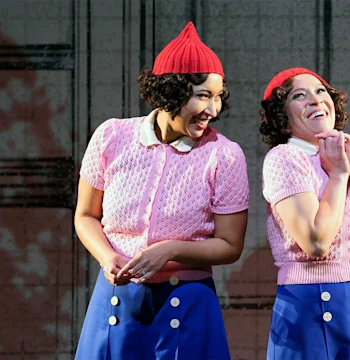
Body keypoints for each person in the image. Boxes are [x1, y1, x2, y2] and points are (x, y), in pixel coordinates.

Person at [74, 22, 249, 360]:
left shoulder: (224, 155)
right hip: (116, 299)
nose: (213, 110)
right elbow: (85, 215)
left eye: (218, 97)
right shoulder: (112, 136)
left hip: (187, 301)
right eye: (203, 96)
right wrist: (106, 256)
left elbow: (230, 246)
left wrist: (169, 250)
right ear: (172, 91)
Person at [259, 67, 350, 359]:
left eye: (321, 91)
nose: (315, 100)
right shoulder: (285, 158)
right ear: (282, 118)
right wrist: (337, 177)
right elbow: (316, 242)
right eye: (299, 96)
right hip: (309, 305)